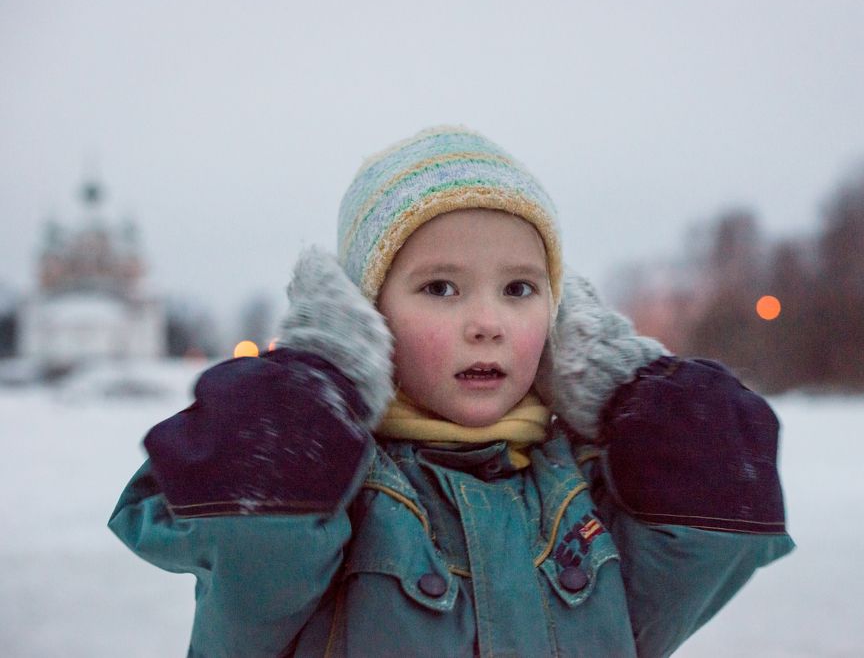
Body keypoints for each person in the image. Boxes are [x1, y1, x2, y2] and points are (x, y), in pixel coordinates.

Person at [109, 126, 794, 657]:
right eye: (441, 287)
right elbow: (256, 533)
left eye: (520, 289)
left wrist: (622, 383)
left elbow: (716, 518)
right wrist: (323, 381)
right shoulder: (332, 496)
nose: (488, 323)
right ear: (368, 312)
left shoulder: (590, 493)